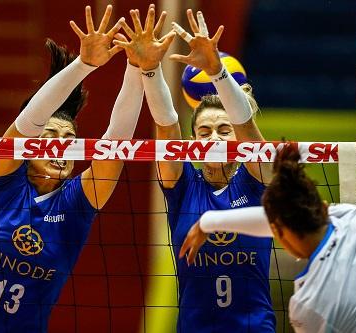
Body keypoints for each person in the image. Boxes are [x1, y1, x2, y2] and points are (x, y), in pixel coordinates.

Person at [0, 5, 149, 332]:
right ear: (30, 148)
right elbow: (26, 125)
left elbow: (116, 145)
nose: (59, 147)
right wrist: (84, 64)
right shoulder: (4, 181)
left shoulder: (76, 204)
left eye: (69, 140)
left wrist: (137, 70)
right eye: (50, 138)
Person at [114, 6, 276, 332]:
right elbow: (167, 125)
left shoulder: (254, 179)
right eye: (204, 132)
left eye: (223, 130)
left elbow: (247, 126)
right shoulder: (184, 184)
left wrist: (218, 72)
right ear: (192, 142)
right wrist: (149, 70)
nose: (214, 138)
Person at [180, 143, 356, 333]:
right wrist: (209, 222)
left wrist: (208, 221)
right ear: (323, 206)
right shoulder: (355, 219)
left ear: (279, 234)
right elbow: (279, 218)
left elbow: (276, 219)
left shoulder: (309, 304)